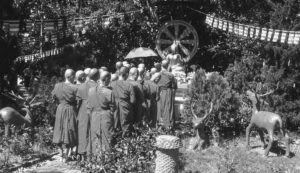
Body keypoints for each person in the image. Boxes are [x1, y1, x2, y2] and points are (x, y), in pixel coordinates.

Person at [52, 69, 78, 162]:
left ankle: (62, 153)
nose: (74, 78)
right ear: (70, 77)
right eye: (73, 76)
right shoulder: (74, 88)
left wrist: (59, 104)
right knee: (69, 129)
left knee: (60, 128)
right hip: (70, 109)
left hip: (60, 109)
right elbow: (77, 101)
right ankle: (66, 154)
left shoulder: (57, 86)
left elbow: (53, 97)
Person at [87, 71, 115, 154]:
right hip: (105, 115)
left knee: (95, 136)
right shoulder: (109, 92)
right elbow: (113, 107)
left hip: (94, 115)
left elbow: (88, 106)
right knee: (106, 137)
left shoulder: (90, 91)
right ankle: (106, 159)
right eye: (109, 79)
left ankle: (95, 158)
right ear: (106, 79)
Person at [76, 68, 99, 161]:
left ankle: (82, 153)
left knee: (82, 130)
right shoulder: (98, 86)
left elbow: (77, 102)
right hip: (94, 109)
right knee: (93, 131)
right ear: (97, 76)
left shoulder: (81, 86)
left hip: (83, 109)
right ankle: (93, 153)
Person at [110, 67, 135, 135]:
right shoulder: (129, 85)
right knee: (126, 127)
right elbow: (133, 101)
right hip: (125, 107)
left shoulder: (111, 84)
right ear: (127, 74)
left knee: (115, 126)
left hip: (114, 107)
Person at [157, 60, 177, 129]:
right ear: (168, 65)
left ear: (161, 65)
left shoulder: (157, 74)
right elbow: (174, 86)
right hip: (167, 92)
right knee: (168, 107)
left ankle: (159, 123)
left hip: (158, 92)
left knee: (160, 107)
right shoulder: (170, 75)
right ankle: (168, 125)